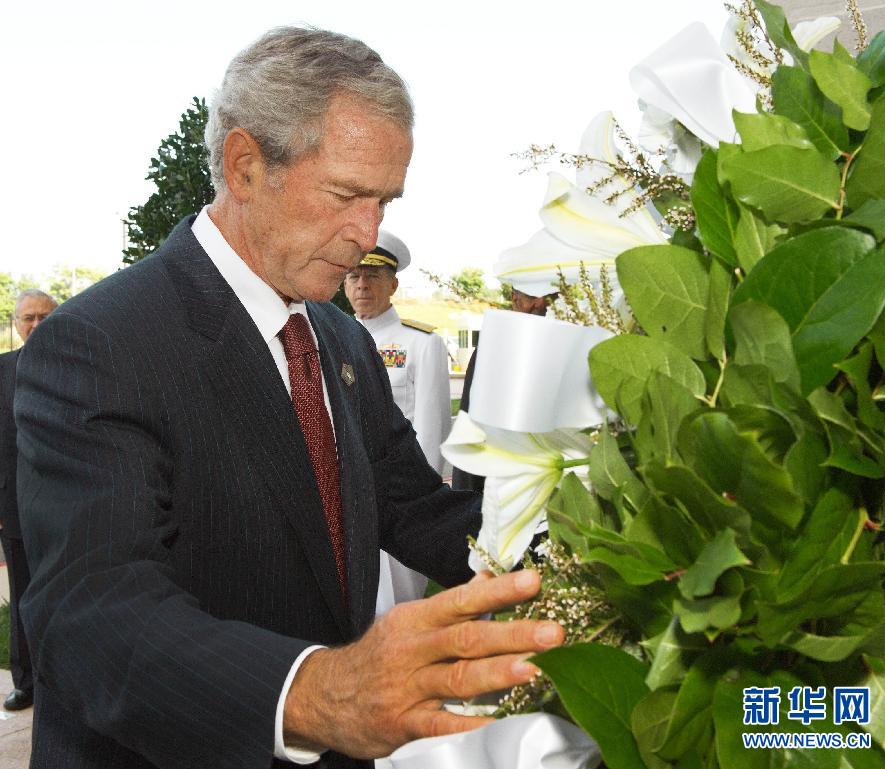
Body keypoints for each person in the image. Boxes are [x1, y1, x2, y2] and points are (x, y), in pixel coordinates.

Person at [14, 27, 563, 769]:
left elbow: (417, 509)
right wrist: (312, 694)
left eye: (384, 201)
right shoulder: (102, 343)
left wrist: (576, 552)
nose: (369, 233)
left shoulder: (340, 343)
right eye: (346, 194)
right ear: (245, 166)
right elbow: (96, 613)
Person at [344, 231, 451, 614]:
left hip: (400, 498)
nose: (362, 285)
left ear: (393, 283)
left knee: (397, 609)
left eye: (372, 276)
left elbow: (433, 424)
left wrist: (421, 503)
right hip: (345, 493)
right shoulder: (334, 339)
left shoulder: (421, 344)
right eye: (353, 276)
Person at [0, 290, 57, 712]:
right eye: (27, 318)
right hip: (15, 509)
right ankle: (27, 683)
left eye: (44, 316)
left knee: (69, 592)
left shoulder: (81, 363)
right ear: (16, 324)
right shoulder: (0, 372)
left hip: (69, 506)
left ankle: (68, 681)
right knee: (22, 598)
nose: (35, 325)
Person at [451, 287, 556, 492]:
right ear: (514, 298)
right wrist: (467, 502)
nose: (541, 304)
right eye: (532, 296)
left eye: (550, 296)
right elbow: (471, 436)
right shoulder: (492, 353)